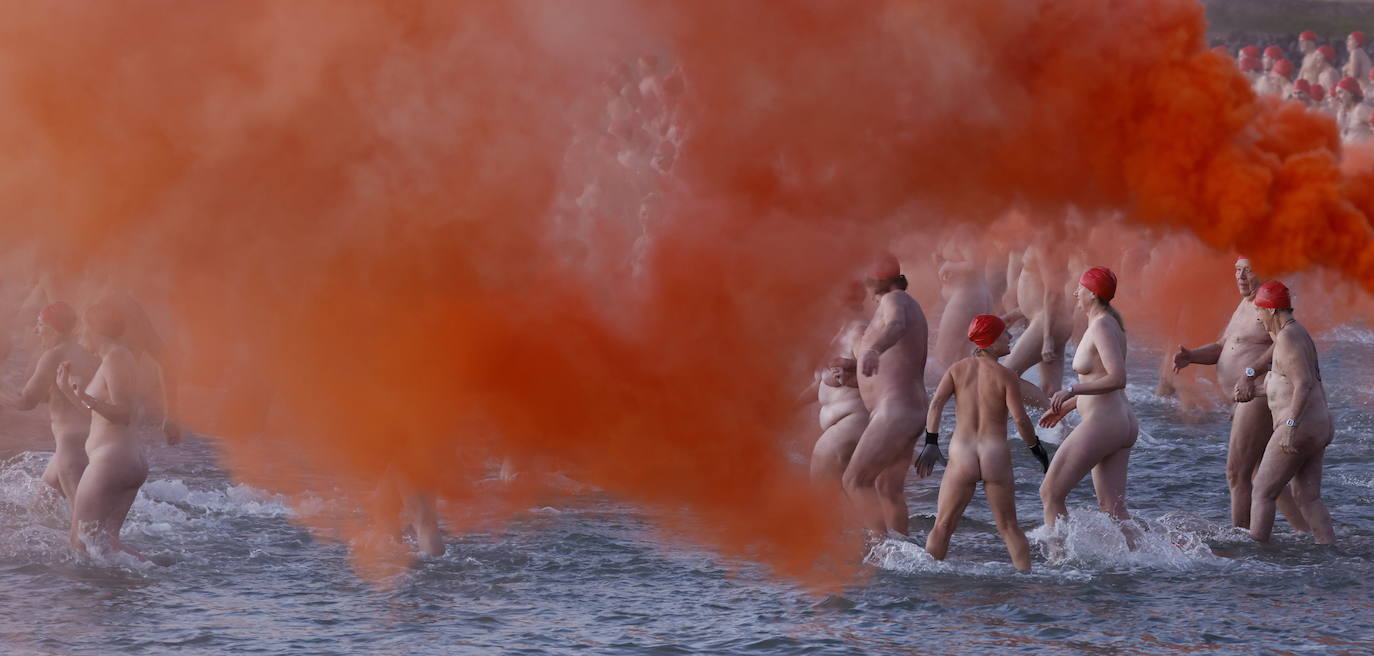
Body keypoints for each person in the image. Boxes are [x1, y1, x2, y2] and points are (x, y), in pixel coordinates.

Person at [1171, 259, 1310, 532]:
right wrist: (1193, 356)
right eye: (1237, 269)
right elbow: (1226, 345)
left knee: (1237, 473)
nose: (1241, 276)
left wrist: (1249, 373)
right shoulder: (1245, 304)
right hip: (1244, 397)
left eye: (1248, 269)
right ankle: (1306, 531)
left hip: (1256, 396)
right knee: (1264, 476)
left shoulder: (1269, 302)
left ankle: (1242, 537)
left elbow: (1285, 340)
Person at [923, 315, 1050, 572]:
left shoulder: (957, 370)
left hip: (962, 454)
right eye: (1005, 333)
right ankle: (1025, 578)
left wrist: (931, 442)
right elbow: (1020, 419)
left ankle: (928, 580)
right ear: (990, 342)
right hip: (995, 455)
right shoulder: (1005, 376)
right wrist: (1036, 448)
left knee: (943, 525)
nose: (1011, 337)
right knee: (1009, 527)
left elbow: (936, 405)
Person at [55, 302, 175, 559]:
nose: (78, 335)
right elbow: (100, 415)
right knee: (103, 544)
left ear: (93, 328)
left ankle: (162, 571)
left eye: (81, 329)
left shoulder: (117, 358)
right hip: (122, 460)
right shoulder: (112, 359)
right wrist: (69, 391)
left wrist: (87, 397)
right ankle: (144, 578)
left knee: (81, 541)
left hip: (112, 462)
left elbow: (124, 414)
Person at [1039, 268, 1138, 538]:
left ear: (1093, 294)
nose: (1075, 293)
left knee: (1050, 492)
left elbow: (1118, 379)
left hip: (1105, 423)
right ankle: (1150, 561)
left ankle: (1058, 562)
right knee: (1113, 509)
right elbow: (1101, 377)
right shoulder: (1108, 323)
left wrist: (1071, 390)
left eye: (1080, 288)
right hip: (1118, 421)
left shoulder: (1103, 326)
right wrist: (1068, 407)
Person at [841, 254, 931, 537]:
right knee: (887, 488)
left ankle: (881, 550)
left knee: (854, 480)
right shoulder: (902, 303)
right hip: (906, 410)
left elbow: (896, 325)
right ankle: (902, 552)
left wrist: (872, 350)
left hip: (896, 411)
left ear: (873, 283)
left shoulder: (896, 300)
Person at [1248, 282, 1336, 544]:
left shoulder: (1287, 338)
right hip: (1317, 424)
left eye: (1260, 311)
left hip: (1301, 425)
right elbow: (1287, 383)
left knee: (1262, 492)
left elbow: (1304, 383)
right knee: (1308, 496)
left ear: (1273, 310)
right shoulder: (1294, 334)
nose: (1258, 317)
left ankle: (1256, 555)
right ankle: (1329, 550)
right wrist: (1254, 390)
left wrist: (1289, 426)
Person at [0, 302, 99, 500]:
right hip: (90, 442)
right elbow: (68, 396)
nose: (36, 331)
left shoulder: (53, 355)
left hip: (70, 450)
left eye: (40, 325)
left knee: (83, 525)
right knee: (41, 504)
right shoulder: (88, 354)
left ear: (55, 329)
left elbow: (26, 402)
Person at [810, 283, 871, 490]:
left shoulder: (858, 332)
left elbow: (880, 369)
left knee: (821, 489)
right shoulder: (840, 333)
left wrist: (852, 368)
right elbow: (818, 384)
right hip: (840, 425)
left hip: (853, 422)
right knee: (838, 497)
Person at [1002, 244, 1072, 397]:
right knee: (1050, 390)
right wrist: (1015, 314)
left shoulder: (1046, 245)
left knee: (1003, 376)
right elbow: (1039, 293)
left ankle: (1043, 410)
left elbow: (1054, 293)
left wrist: (1047, 337)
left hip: (1047, 322)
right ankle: (1061, 421)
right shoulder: (1041, 241)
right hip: (1049, 319)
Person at [932, 229, 994, 380]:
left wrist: (949, 266)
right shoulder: (948, 230)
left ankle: (941, 399)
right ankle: (965, 398)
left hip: (968, 298)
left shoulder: (965, 232)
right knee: (964, 360)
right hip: (964, 297)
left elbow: (976, 263)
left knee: (943, 360)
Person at [1335, 77, 1372, 142]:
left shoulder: (1360, 109)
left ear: (1351, 93)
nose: (1337, 97)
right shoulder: (1344, 113)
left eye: (1340, 92)